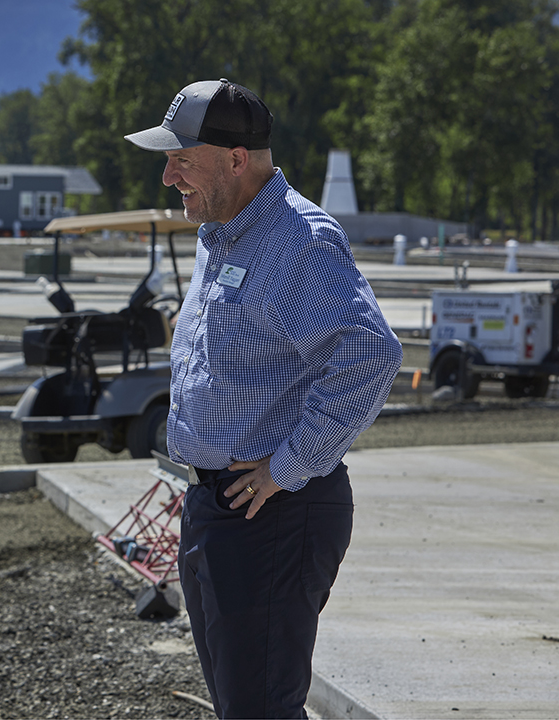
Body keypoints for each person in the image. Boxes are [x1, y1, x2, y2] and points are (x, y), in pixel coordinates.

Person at [125, 79, 402, 718]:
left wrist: (288, 465)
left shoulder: (298, 241)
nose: (168, 176)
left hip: (274, 515)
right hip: (218, 507)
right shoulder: (220, 233)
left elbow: (370, 353)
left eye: (180, 159)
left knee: (261, 711)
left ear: (235, 158)